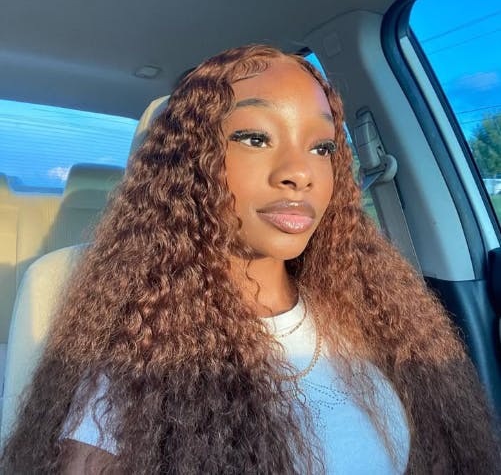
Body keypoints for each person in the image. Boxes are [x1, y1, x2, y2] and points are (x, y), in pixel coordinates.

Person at [1, 45, 499, 474]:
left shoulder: (378, 315)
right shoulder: (141, 360)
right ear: (190, 164)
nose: (299, 172)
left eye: (322, 147)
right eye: (255, 138)